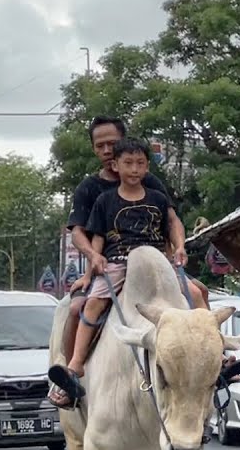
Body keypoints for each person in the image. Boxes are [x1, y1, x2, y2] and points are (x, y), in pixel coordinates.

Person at [47, 137, 186, 403]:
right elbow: (96, 236)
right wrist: (93, 265)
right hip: (119, 262)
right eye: (128, 163)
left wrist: (179, 248)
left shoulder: (157, 196)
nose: (134, 169)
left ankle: (217, 357)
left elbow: (170, 225)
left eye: (140, 164)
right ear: (116, 165)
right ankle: (75, 364)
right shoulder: (102, 198)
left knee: (196, 292)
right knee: (91, 305)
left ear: (147, 166)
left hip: (155, 262)